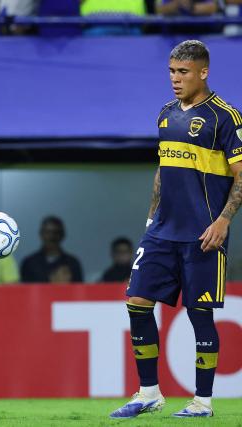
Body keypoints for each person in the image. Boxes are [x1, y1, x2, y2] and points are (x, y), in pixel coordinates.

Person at [110, 40, 242, 419]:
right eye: (171, 71)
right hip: (161, 231)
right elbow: (163, 169)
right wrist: (151, 218)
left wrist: (224, 219)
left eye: (183, 72)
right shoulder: (166, 114)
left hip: (203, 234)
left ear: (203, 72)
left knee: (199, 314)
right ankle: (148, 392)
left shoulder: (225, 117)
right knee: (136, 302)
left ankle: (203, 401)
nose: (175, 79)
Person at [20, 216, 83, 283]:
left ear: (62, 235)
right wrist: (53, 282)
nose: (51, 236)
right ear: (41, 234)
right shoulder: (30, 264)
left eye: (55, 232)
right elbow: (25, 291)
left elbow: (79, 291)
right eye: (48, 232)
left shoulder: (72, 263)